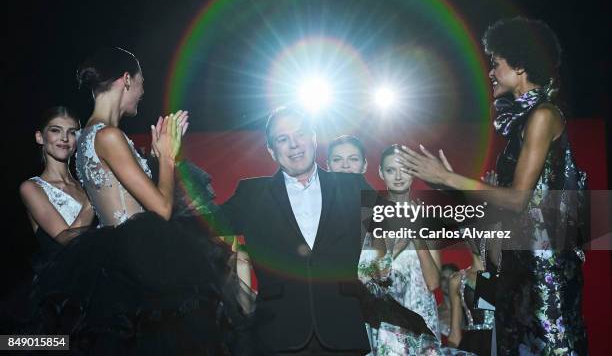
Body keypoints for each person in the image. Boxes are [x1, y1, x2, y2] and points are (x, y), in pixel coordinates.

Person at [29, 47, 250, 355]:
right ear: (126, 80)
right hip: (138, 258)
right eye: (142, 83)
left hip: (119, 257)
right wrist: (168, 158)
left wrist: (159, 156)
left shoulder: (90, 137)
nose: (143, 93)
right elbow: (160, 209)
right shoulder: (108, 136)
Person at [396, 17, 588, 355]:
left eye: (496, 64)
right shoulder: (521, 124)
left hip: (542, 272)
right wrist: (442, 180)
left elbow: (516, 200)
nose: (490, 72)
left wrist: (448, 178)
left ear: (521, 66)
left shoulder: (543, 116)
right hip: (516, 268)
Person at [218, 106, 374, 355]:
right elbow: (198, 225)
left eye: (300, 134)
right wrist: (165, 168)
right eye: (283, 139)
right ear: (271, 150)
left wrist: (447, 180)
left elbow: (414, 223)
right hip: (278, 338)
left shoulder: (351, 187)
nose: (294, 144)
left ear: (313, 137)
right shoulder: (251, 195)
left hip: (342, 334)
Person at [358, 145, 451, 355]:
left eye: (405, 169)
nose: (398, 176)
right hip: (387, 319)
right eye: (390, 170)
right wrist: (397, 246)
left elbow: (434, 282)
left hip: (421, 315)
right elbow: (374, 276)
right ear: (381, 173)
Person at [19, 106, 95, 271]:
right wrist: (95, 195)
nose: (64, 138)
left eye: (72, 132)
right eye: (55, 130)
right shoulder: (31, 188)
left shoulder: (85, 185)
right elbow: (67, 239)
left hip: (96, 272)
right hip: (62, 283)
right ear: (40, 137)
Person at [447, 241, 493, 355]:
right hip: (473, 346)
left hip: (503, 343)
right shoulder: (457, 280)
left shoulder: (506, 275)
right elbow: (455, 333)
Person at [438, 263, 460, 341]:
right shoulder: (435, 312)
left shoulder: (468, 311)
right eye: (443, 278)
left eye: (452, 277)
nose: (448, 282)